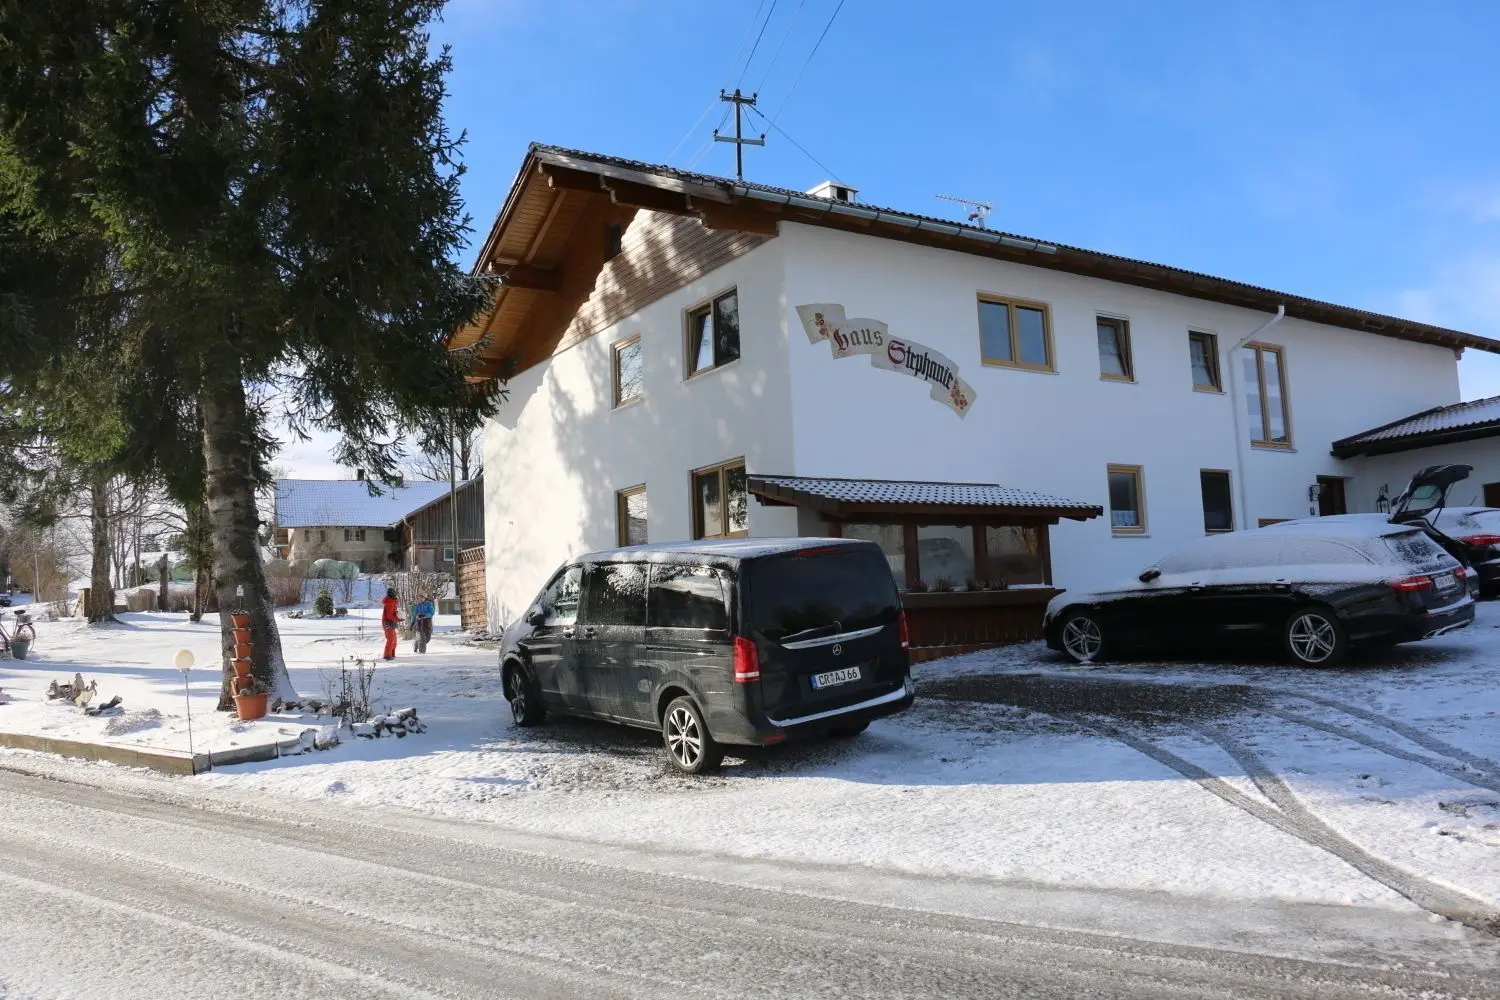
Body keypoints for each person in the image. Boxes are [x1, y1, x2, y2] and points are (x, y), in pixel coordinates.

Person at [381, 587, 400, 660]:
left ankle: (392, 654)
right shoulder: (389, 602)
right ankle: (387, 655)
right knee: (391, 639)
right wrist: (397, 619)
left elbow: (393, 612)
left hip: (391, 622)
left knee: (394, 639)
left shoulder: (393, 601)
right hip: (388, 622)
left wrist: (399, 615)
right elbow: (389, 615)